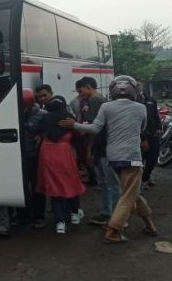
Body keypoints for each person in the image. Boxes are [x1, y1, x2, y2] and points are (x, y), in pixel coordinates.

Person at [60, 75, 159, 244]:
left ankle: (149, 224)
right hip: (132, 157)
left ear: (113, 90)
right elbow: (142, 128)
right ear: (133, 90)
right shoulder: (140, 108)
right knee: (128, 194)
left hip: (112, 157)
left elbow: (95, 128)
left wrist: (74, 125)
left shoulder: (106, 106)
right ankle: (113, 231)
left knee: (132, 191)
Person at [36, 96, 85, 234]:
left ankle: (60, 223)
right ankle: (75, 215)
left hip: (47, 154)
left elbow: (38, 132)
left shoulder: (45, 119)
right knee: (72, 183)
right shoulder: (69, 119)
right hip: (65, 154)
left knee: (54, 188)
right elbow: (79, 136)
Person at [76, 77, 120, 226]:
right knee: (106, 182)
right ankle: (109, 212)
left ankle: (114, 215)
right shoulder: (99, 99)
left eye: (81, 90)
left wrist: (89, 149)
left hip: (103, 147)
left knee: (109, 182)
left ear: (88, 87)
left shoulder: (95, 101)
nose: (80, 94)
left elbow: (95, 128)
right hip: (104, 146)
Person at [19, 88, 47, 229]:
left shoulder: (42, 115)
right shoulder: (15, 112)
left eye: (25, 105)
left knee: (37, 187)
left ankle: (38, 216)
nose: (23, 108)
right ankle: (23, 216)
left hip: (35, 156)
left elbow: (50, 131)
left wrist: (42, 135)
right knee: (21, 186)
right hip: (19, 156)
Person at [136, 78, 162, 189]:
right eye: (135, 85)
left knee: (154, 156)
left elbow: (156, 115)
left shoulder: (150, 99)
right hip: (138, 135)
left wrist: (159, 127)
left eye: (139, 84)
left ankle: (146, 177)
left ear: (142, 85)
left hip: (152, 133)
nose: (137, 86)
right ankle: (139, 181)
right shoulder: (132, 100)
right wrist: (143, 138)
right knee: (139, 159)